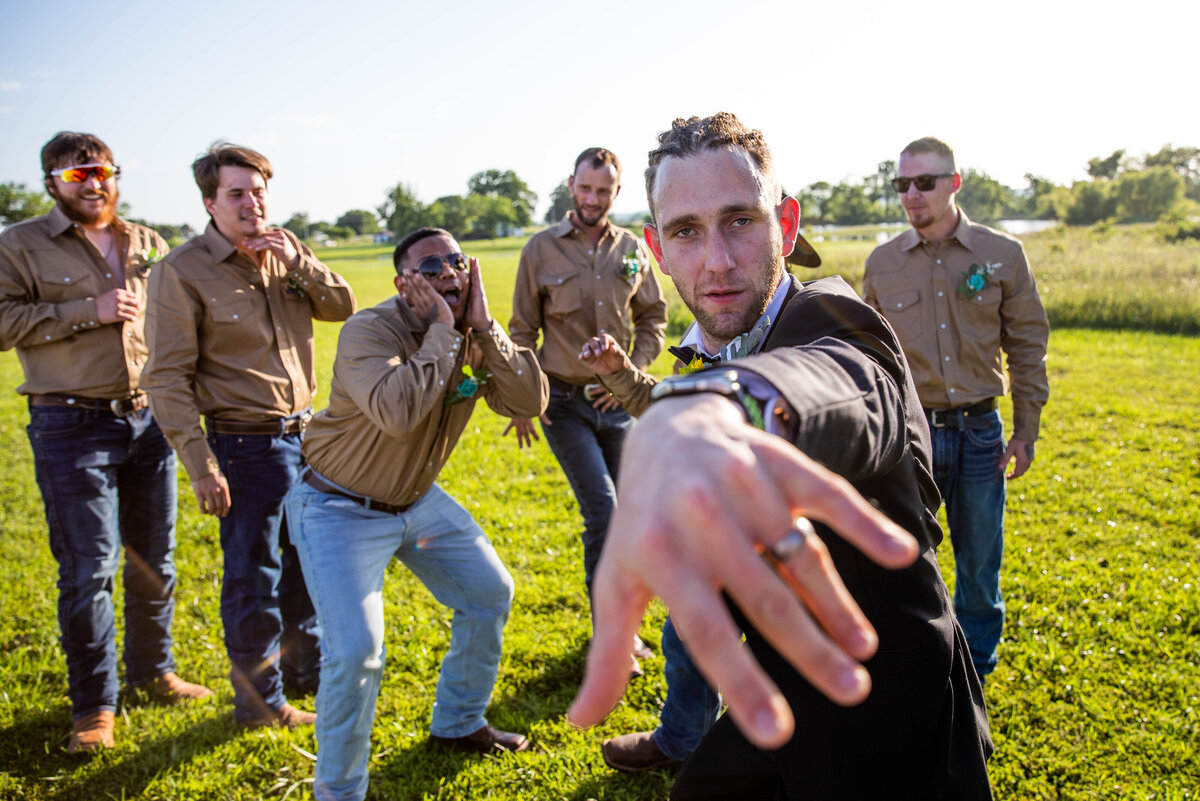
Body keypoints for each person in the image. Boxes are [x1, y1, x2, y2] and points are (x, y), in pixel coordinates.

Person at [569, 113, 993, 799]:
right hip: (781, 683)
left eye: (740, 220)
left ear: (786, 225)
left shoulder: (833, 318)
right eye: (686, 231)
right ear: (655, 248)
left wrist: (741, 405)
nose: (717, 260)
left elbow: (845, 388)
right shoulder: (703, 348)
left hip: (892, 698)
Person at [283, 227, 547, 801]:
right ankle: (339, 793)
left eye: (455, 261)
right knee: (355, 652)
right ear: (404, 283)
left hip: (414, 502)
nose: (449, 273)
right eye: (431, 268)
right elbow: (398, 413)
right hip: (337, 507)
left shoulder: (475, 332)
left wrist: (484, 328)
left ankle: (458, 721)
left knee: (488, 592)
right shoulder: (368, 331)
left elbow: (530, 401)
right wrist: (444, 333)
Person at [0, 132, 212, 754]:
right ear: (51, 183)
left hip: (148, 421)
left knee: (157, 559)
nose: (92, 184)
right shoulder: (18, 245)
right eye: (76, 175)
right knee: (90, 570)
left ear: (116, 176)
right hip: (70, 424)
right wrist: (85, 310)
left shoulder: (147, 242)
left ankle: (155, 673)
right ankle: (94, 707)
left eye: (101, 171)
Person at [142, 142, 356, 728]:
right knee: (253, 576)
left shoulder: (287, 253)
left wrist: (301, 264)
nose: (251, 203)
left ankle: (305, 677)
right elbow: (165, 377)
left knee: (308, 565)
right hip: (242, 445)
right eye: (237, 193)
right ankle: (260, 704)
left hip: (308, 439)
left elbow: (342, 306)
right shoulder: (180, 272)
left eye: (259, 191)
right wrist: (200, 462)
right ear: (210, 201)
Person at [862, 137, 1050, 682]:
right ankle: (916, 669)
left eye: (924, 182)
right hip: (911, 437)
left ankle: (978, 674)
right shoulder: (882, 263)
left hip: (979, 432)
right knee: (902, 560)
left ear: (954, 183)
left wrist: (1026, 429)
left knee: (978, 564)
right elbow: (867, 359)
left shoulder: (1002, 255)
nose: (912, 195)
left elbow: (1028, 344)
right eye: (902, 185)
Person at [505, 147, 667, 671]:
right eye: (585, 188)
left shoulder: (633, 251)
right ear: (571, 185)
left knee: (627, 518)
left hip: (619, 404)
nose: (594, 198)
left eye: (604, 190)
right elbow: (522, 332)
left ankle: (625, 629)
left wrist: (625, 372)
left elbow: (653, 319)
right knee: (604, 509)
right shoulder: (541, 250)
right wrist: (523, 398)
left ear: (617, 193)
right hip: (566, 404)